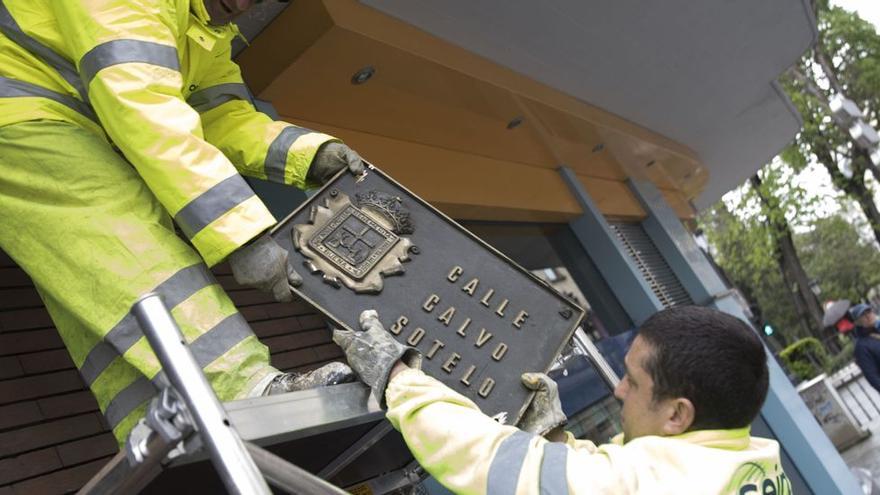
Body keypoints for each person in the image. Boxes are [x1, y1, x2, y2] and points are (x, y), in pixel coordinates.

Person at [0, 0, 361, 444]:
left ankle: (159, 436)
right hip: (19, 113)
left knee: (102, 284)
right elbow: (139, 100)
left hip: (46, 118)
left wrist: (309, 153)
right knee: (127, 235)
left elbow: (221, 116)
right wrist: (242, 237)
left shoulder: (207, 36)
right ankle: (244, 395)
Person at [334, 306, 790, 494]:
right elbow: (615, 476)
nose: (618, 390)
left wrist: (397, 379)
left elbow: (486, 461)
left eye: (632, 382)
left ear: (677, 413)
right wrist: (555, 440)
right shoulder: (750, 461)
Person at [849, 303, 880, 393]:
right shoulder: (861, 346)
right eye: (863, 315)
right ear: (857, 322)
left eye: (869, 312)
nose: (868, 316)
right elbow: (873, 377)